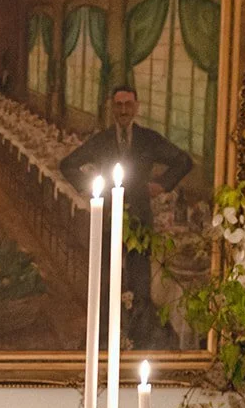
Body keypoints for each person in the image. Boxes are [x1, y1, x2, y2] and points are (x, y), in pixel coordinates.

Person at [59, 85, 193, 349]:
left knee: (140, 281)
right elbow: (67, 165)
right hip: (108, 219)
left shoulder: (148, 139)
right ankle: (103, 336)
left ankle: (139, 338)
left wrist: (162, 184)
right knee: (105, 278)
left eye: (128, 105)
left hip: (139, 220)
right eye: (118, 105)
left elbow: (184, 161)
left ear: (136, 107)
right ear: (112, 108)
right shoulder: (101, 141)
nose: (123, 110)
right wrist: (90, 186)